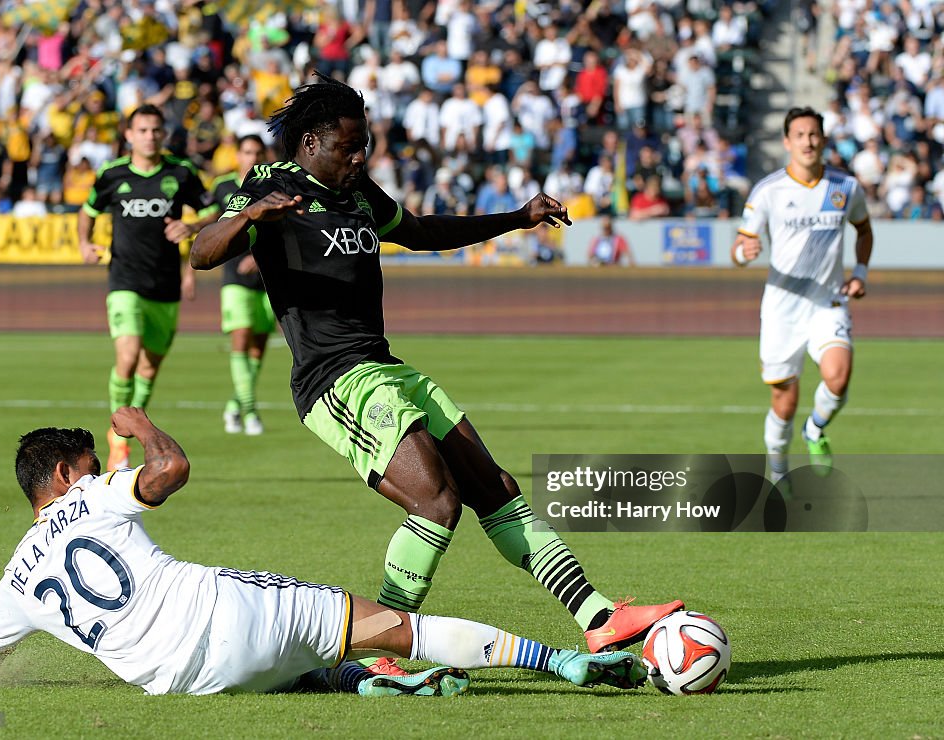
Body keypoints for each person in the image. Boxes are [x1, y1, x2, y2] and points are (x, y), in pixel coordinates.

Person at [191, 74, 682, 674]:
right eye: (349, 145)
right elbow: (202, 251)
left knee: (493, 488)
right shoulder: (272, 183)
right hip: (334, 379)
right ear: (313, 138)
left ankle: (599, 618)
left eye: (364, 144)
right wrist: (249, 219)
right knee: (436, 502)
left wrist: (516, 218)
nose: (359, 155)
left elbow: (421, 232)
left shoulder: (357, 193)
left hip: (385, 368)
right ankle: (378, 653)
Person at [0, 408, 647, 698]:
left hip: (193, 683)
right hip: (228, 610)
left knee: (295, 662)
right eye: (92, 461)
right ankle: (564, 661)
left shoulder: (14, 580)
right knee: (402, 630)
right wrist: (143, 425)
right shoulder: (92, 496)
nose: (102, 468)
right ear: (66, 475)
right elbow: (172, 471)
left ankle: (367, 685)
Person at [731, 107, 873, 488]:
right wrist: (742, 254)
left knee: (838, 378)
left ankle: (815, 429)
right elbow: (741, 244)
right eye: (800, 135)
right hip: (782, 309)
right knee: (784, 401)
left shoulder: (845, 188)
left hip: (828, 302)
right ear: (787, 142)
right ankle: (778, 472)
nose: (808, 142)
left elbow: (864, 229)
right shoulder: (769, 191)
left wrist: (859, 273)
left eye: (814, 135)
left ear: (824, 140)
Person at [78, 104, 220, 471]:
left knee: (149, 366)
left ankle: (131, 421)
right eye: (142, 130)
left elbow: (216, 209)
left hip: (165, 284)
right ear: (128, 135)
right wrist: (84, 242)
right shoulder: (111, 174)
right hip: (124, 279)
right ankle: (117, 435)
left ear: (164, 134)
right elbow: (88, 211)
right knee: (127, 356)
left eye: (156, 130)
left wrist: (191, 227)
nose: (150, 136)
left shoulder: (181, 172)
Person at [211, 135, 275, 436]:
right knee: (241, 338)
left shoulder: (275, 186)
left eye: (258, 152)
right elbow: (210, 223)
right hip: (234, 277)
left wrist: (262, 260)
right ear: (237, 155)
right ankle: (250, 412)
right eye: (247, 152)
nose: (252, 157)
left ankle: (235, 406)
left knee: (258, 350)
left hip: (268, 278)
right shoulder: (223, 187)